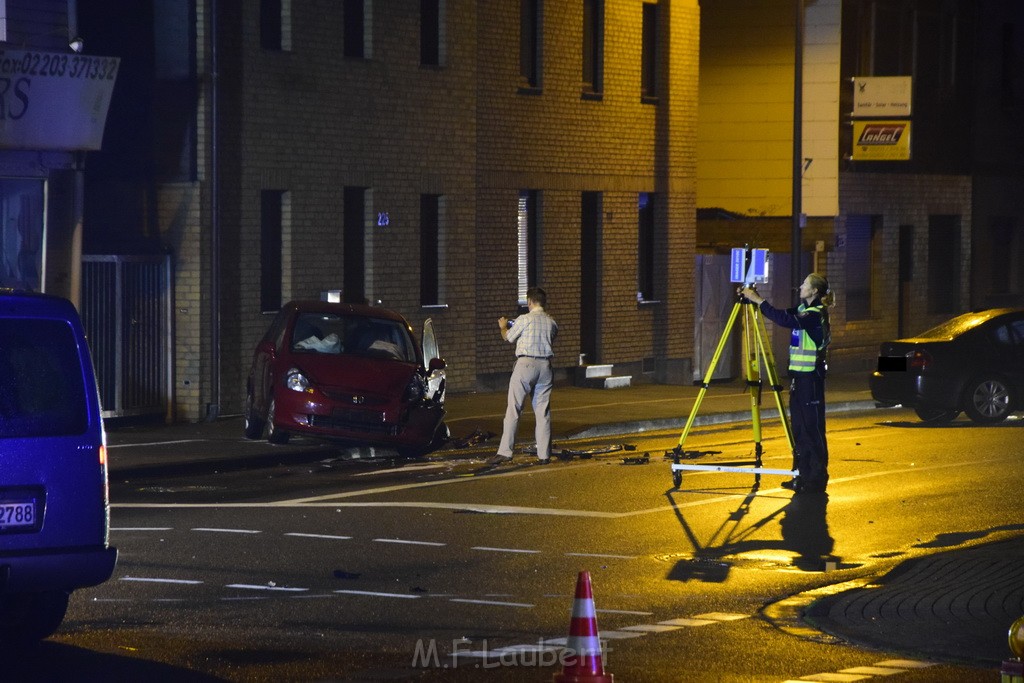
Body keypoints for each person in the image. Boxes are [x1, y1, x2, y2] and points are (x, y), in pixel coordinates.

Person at [739, 273, 833, 494]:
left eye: (805, 284)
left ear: (814, 291)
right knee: (799, 430)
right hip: (799, 380)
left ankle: (816, 479)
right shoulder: (803, 311)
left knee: (812, 430)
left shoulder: (814, 315)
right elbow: (782, 314)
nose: (800, 286)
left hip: (811, 380)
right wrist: (754, 298)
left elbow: (784, 320)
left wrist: (758, 300)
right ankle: (800, 475)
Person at [490, 287, 558, 465]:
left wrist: (503, 327)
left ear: (530, 302)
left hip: (525, 364)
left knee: (514, 409)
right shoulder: (551, 322)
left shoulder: (524, 319)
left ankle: (505, 452)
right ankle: (544, 455)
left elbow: (508, 338)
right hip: (545, 367)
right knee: (543, 413)